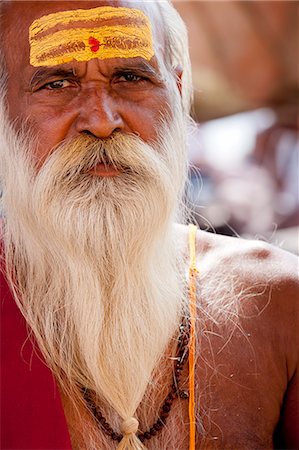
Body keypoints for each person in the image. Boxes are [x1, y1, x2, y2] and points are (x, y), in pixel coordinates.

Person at [0, 1, 298, 449]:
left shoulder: (278, 303)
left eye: (131, 77)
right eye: (57, 83)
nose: (101, 121)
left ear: (178, 93)